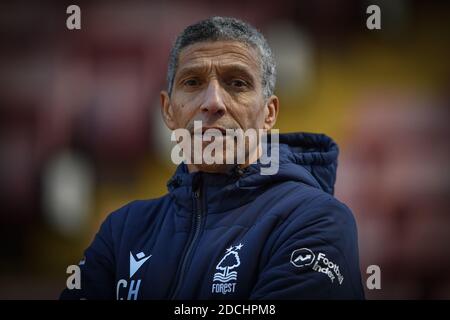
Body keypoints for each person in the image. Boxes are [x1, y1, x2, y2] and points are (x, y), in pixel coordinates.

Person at [60, 16, 365, 300]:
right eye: (192, 82)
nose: (213, 102)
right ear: (168, 110)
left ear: (269, 113)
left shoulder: (317, 220)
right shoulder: (123, 230)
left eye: (237, 83)